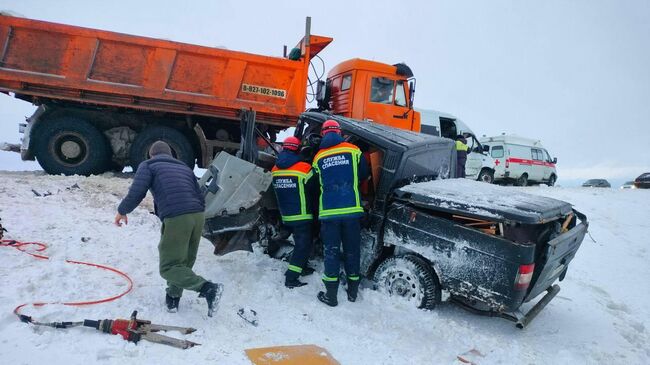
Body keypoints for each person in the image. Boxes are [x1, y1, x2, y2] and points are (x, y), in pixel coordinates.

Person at [114, 141, 223, 316]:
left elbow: (137, 191)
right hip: (198, 216)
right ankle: (173, 298)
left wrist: (122, 210)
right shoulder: (185, 168)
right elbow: (199, 193)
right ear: (170, 155)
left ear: (151, 154)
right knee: (184, 262)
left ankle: (207, 288)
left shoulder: (149, 165)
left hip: (178, 216)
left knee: (169, 267)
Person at [312, 120, 369, 307]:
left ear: (323, 134)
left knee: (331, 252)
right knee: (352, 250)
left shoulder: (318, 157)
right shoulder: (354, 150)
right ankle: (352, 292)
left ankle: (331, 295)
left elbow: (314, 184)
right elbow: (364, 174)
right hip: (352, 210)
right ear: (339, 132)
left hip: (329, 213)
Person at [271, 136, 316, 288]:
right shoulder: (304, 168)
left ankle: (301, 266)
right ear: (298, 149)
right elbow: (316, 188)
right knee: (302, 246)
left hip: (286, 215)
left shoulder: (275, 169)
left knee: (300, 243)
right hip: (302, 214)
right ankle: (291, 277)